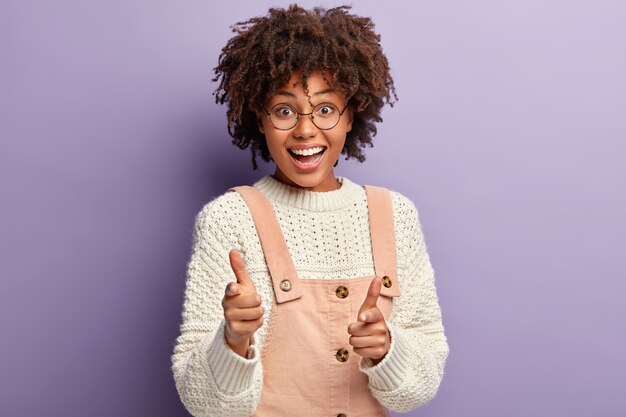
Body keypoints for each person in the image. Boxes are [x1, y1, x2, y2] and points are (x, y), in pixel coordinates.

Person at [170, 4, 449, 417]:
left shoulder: (396, 216)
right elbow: (205, 405)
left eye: (324, 109)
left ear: (350, 116)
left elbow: (419, 387)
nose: (305, 129)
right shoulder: (228, 219)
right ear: (260, 119)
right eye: (284, 110)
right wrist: (232, 340)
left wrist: (388, 350)